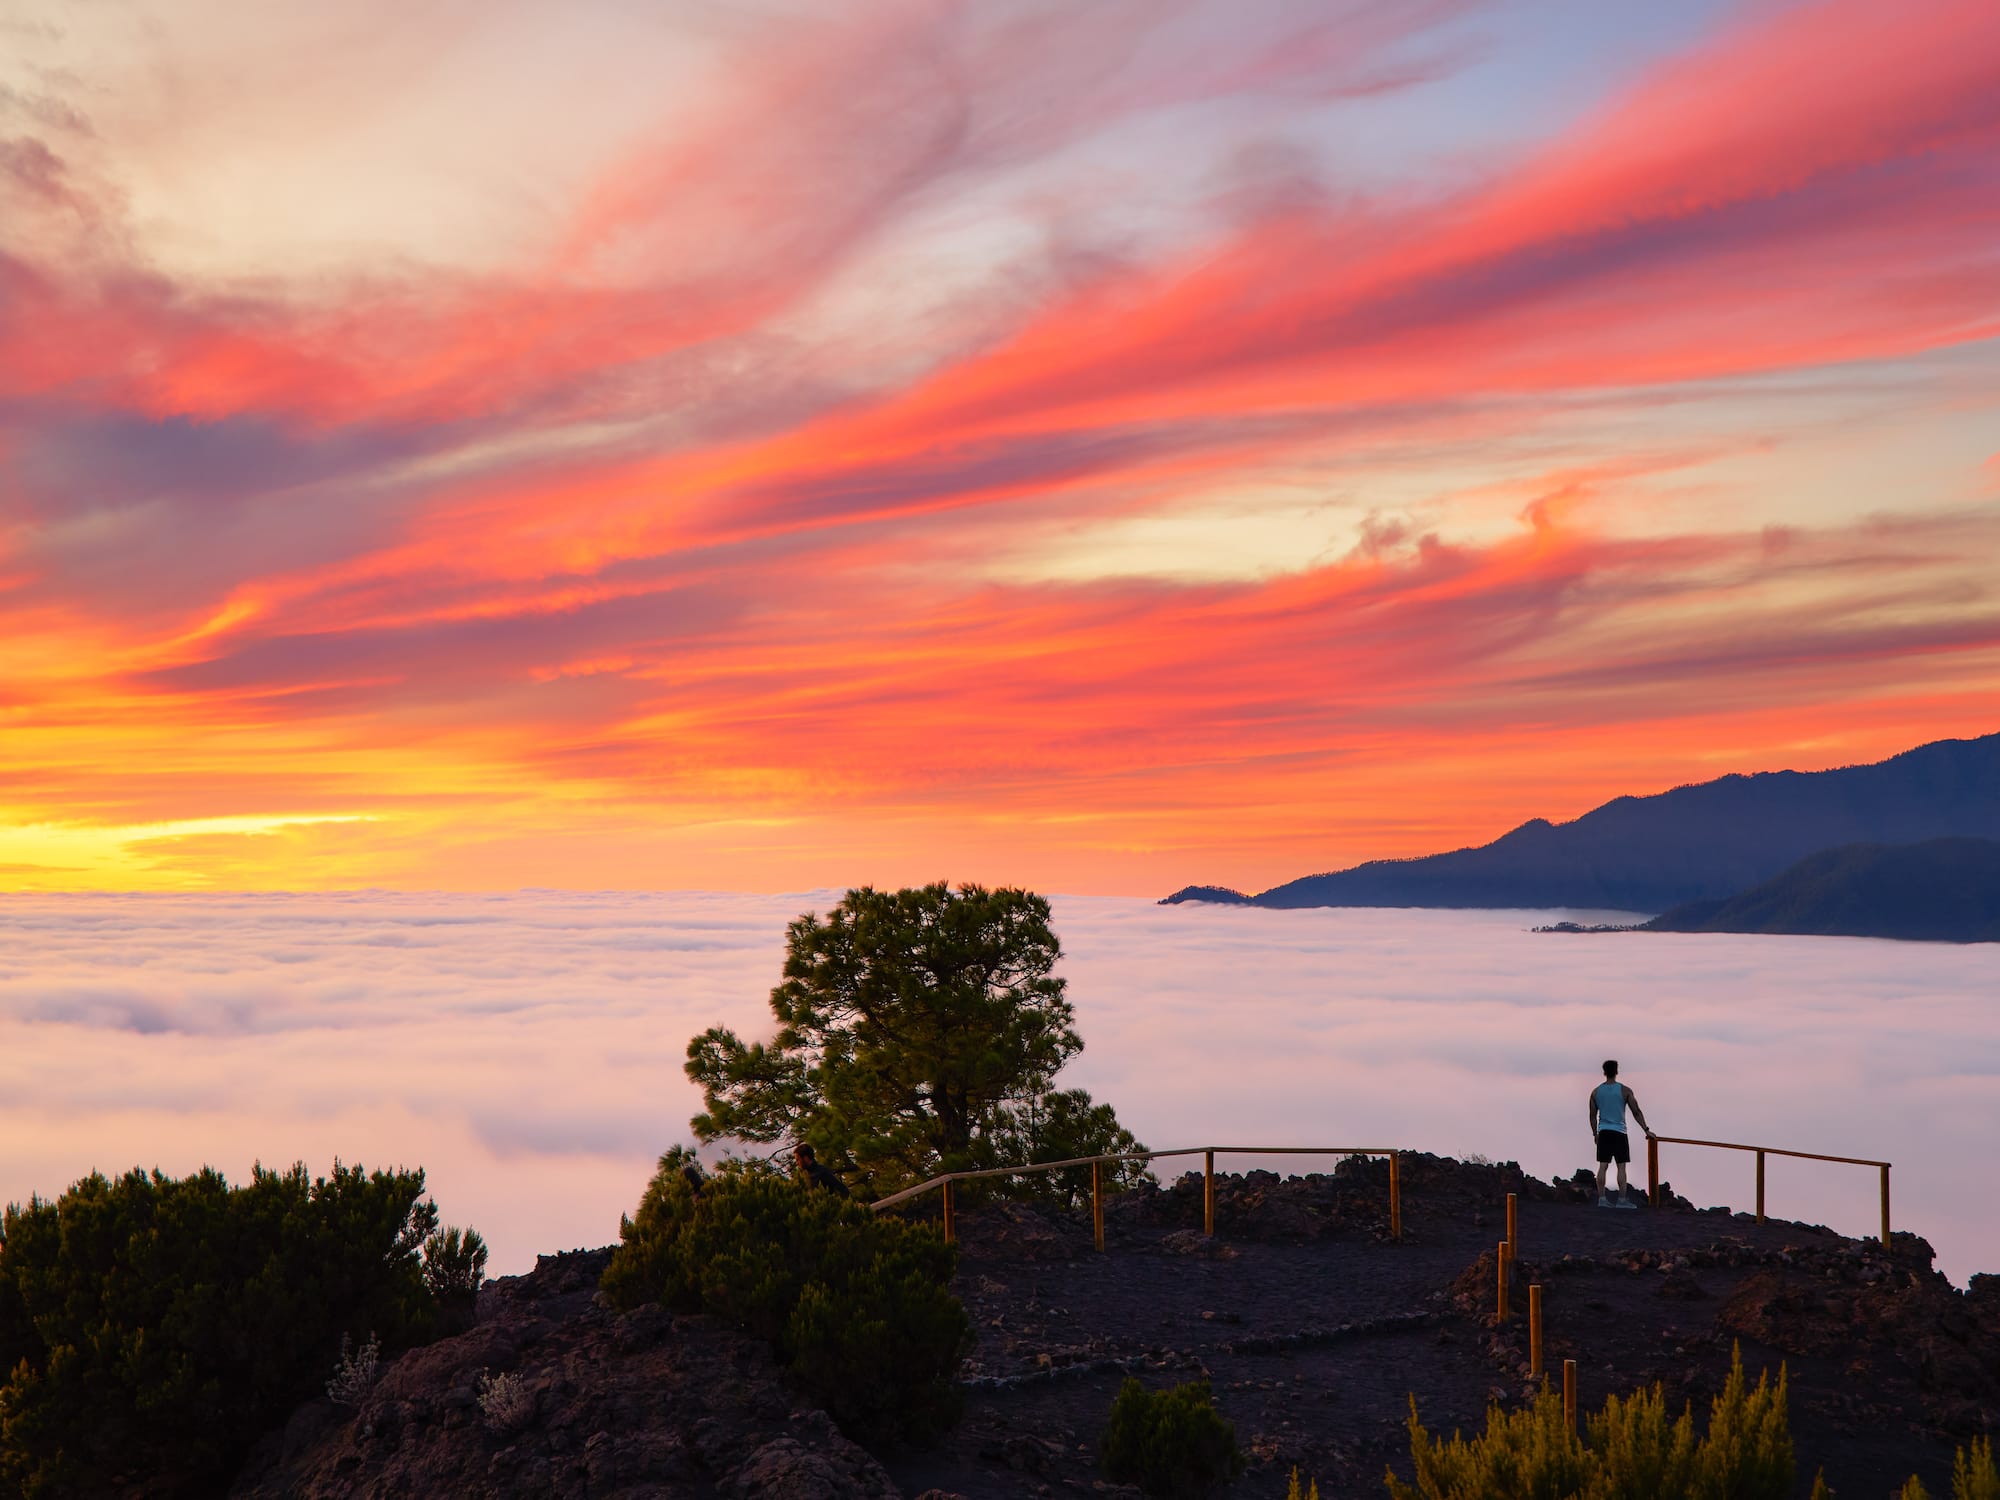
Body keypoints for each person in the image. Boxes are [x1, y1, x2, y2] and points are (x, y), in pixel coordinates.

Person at [1588, 1059, 1653, 1209]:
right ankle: (1622, 1200)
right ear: (1616, 1071)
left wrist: (1595, 1134)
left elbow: (1592, 1116)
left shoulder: (1596, 1092)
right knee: (1621, 1166)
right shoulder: (1625, 1091)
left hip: (1603, 1132)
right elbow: (1636, 1111)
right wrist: (1646, 1129)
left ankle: (1602, 1199)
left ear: (1604, 1072)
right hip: (1619, 1132)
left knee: (1603, 1166)